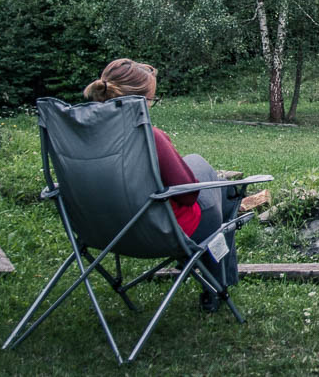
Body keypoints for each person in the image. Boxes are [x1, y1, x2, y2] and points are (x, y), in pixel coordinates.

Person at [82, 58, 239, 311]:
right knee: (211, 177)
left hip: (99, 230)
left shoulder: (80, 135)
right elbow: (188, 197)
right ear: (140, 101)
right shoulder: (148, 136)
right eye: (152, 100)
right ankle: (217, 283)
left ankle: (213, 276)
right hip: (161, 231)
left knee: (219, 187)